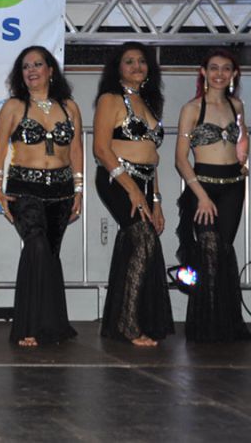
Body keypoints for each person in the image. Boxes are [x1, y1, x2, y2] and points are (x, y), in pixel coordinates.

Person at [0, 46, 81, 347]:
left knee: (51, 253)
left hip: (61, 189)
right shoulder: (14, 106)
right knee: (37, 246)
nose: (31, 70)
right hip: (25, 187)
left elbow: (76, 150)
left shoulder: (69, 107)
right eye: (26, 66)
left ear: (50, 70)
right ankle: (28, 326)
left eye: (37, 64)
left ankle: (52, 325)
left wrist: (79, 190)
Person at [93, 41, 173, 346]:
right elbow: (101, 149)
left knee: (142, 246)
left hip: (145, 182)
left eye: (141, 61)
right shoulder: (110, 99)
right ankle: (128, 324)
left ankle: (131, 319)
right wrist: (132, 191)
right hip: (117, 179)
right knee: (143, 241)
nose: (137, 66)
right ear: (118, 68)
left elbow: (152, 157)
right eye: (129, 61)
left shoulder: (150, 103)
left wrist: (156, 200)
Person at [175, 48, 251, 342]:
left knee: (223, 251)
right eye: (214, 68)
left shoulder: (237, 105)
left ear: (234, 74)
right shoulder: (192, 109)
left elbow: (242, 139)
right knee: (207, 248)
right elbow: (180, 159)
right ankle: (204, 325)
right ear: (203, 72)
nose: (220, 73)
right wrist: (201, 196)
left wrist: (243, 161)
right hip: (202, 186)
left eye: (226, 68)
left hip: (233, 187)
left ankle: (226, 325)